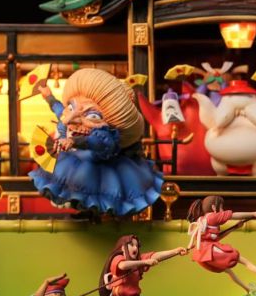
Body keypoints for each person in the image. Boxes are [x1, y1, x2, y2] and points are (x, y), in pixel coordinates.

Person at [29, 68, 163, 217]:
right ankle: (86, 212)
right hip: (75, 165)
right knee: (74, 187)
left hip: (100, 171)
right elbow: (59, 110)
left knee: (98, 193)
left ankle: (98, 215)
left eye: (92, 115)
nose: (73, 120)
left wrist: (73, 141)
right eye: (71, 107)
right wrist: (49, 96)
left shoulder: (104, 135)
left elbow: (96, 142)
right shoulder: (68, 117)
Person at [187, 195, 256, 292]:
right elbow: (233, 215)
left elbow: (217, 238)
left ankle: (248, 289)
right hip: (208, 251)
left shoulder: (202, 220)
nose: (222, 210)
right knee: (243, 260)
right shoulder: (212, 217)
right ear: (213, 207)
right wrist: (254, 214)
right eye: (221, 207)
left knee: (228, 271)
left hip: (202, 255)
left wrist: (235, 227)